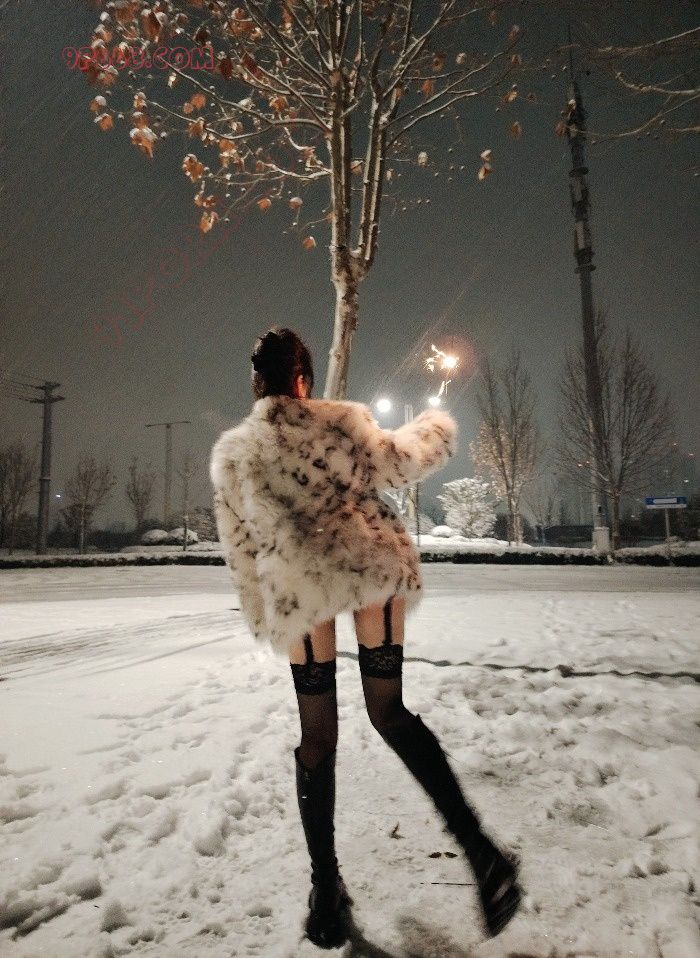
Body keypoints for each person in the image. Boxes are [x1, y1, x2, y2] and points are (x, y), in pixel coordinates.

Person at [209, 328, 521, 949]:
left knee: (317, 735)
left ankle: (326, 890)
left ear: (257, 382)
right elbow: (401, 462)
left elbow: (241, 548)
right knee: (389, 713)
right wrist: (433, 425)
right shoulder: (342, 422)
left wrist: (264, 615)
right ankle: (482, 854)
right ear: (303, 379)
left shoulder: (236, 453)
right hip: (368, 564)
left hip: (299, 584)